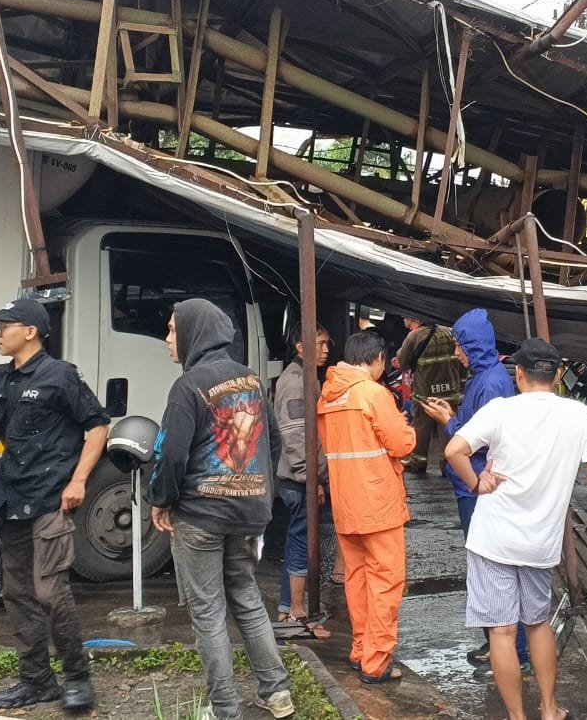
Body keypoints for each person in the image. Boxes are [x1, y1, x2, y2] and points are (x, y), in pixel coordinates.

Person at [443, 338, 587, 720]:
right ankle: (549, 710)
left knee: (502, 632)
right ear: (558, 375)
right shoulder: (577, 415)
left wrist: (477, 483)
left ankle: (517, 717)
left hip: (492, 539)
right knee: (537, 624)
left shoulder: (500, 410)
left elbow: (453, 451)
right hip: (539, 543)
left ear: (519, 374)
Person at [0, 297, 109, 712]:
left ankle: (77, 678)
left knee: (50, 591)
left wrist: (79, 480)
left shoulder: (59, 375)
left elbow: (98, 426)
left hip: (50, 498)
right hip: (11, 498)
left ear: (30, 331)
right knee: (17, 594)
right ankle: (37, 681)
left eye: (4, 326)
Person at [147, 299, 295, 720]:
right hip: (249, 513)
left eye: (172, 330)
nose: (168, 339)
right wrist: (258, 491)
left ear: (193, 332)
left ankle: (225, 708)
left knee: (208, 611)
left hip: (201, 514)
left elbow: (171, 455)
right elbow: (273, 443)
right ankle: (277, 692)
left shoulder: (188, 386)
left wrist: (161, 500)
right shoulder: (252, 381)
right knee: (246, 597)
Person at [419, 307, 527, 671]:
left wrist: (448, 421)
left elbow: (478, 441)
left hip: (479, 489)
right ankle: (500, 645)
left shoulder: (492, 383)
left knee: (493, 574)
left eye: (461, 347)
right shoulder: (484, 377)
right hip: (473, 489)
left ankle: (514, 652)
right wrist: (453, 417)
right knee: (488, 573)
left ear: (475, 345)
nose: (457, 354)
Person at [318, 330, 415, 684]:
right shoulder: (373, 394)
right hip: (378, 504)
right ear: (377, 359)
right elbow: (402, 444)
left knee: (357, 580)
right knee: (386, 582)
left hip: (346, 504)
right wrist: (407, 428)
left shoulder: (328, 396)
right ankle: (377, 662)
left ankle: (361, 650)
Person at [273, 320, 333, 629]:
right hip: (299, 480)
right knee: (300, 543)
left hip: (300, 478)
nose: (326, 350)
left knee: (297, 540)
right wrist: (314, 479)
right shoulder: (295, 382)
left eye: (326, 344)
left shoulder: (303, 377)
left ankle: (287, 609)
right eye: (320, 344)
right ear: (300, 347)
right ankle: (296, 612)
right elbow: (296, 437)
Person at [396, 315, 464, 474]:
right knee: (448, 426)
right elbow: (461, 363)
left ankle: (418, 463)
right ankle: (448, 466)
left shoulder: (414, 336)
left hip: (425, 393)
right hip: (450, 391)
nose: (403, 320)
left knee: (421, 428)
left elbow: (403, 361)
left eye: (404, 317)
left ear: (414, 318)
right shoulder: (450, 332)